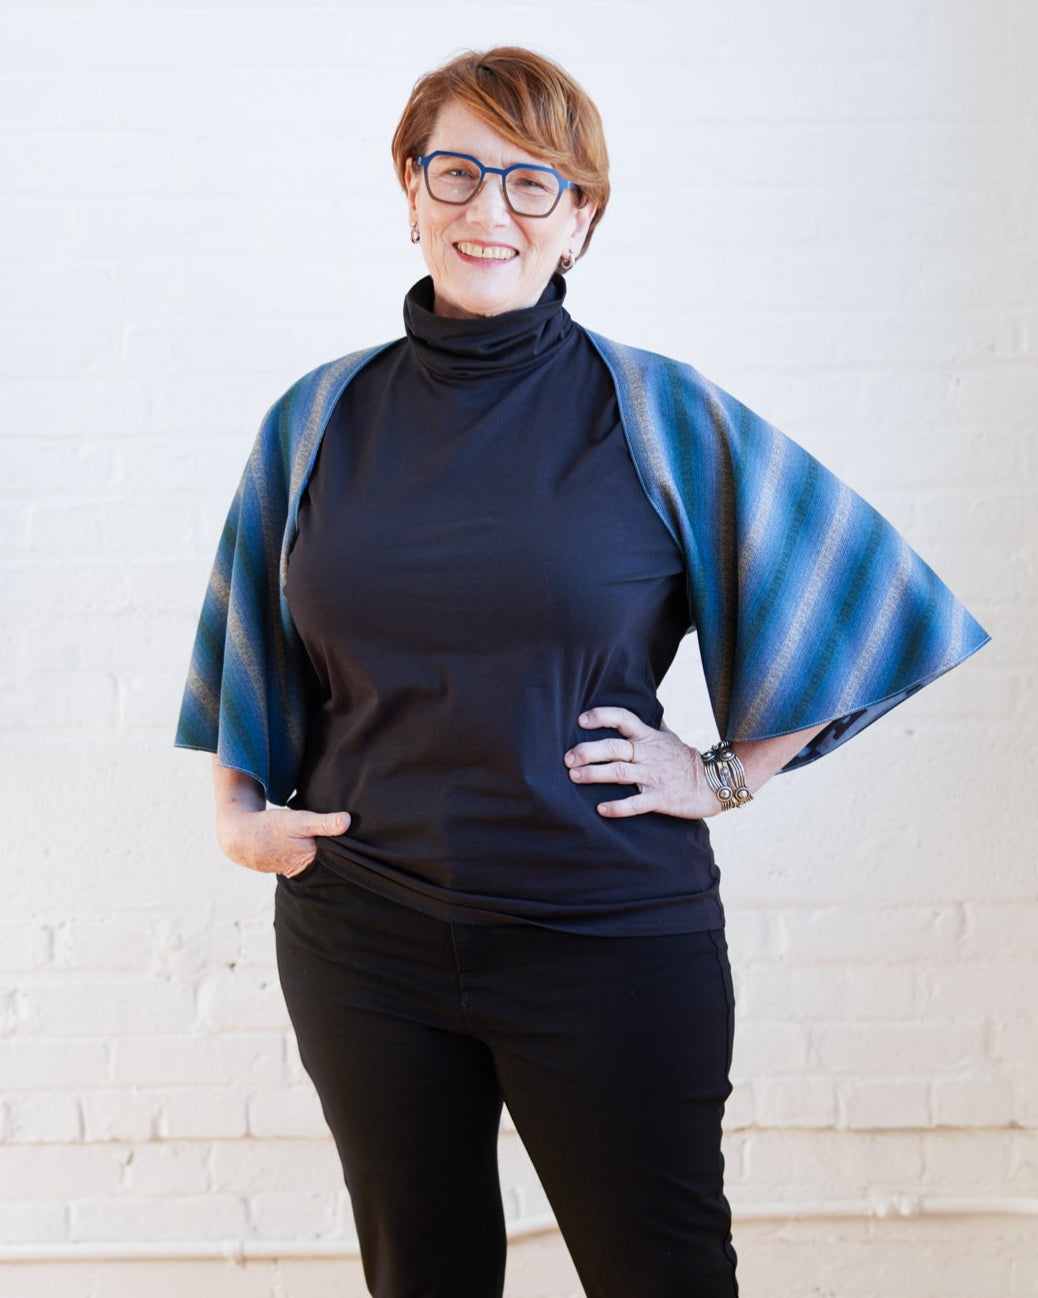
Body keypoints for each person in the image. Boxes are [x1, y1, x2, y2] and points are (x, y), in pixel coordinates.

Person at [176, 46, 988, 1298]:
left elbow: (866, 597)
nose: (489, 209)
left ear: (581, 219)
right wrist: (237, 813)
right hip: (361, 936)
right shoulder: (318, 416)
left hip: (607, 935)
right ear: (410, 187)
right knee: (421, 1276)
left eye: (532, 181)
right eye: (456, 170)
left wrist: (722, 772)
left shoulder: (658, 412)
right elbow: (252, 629)